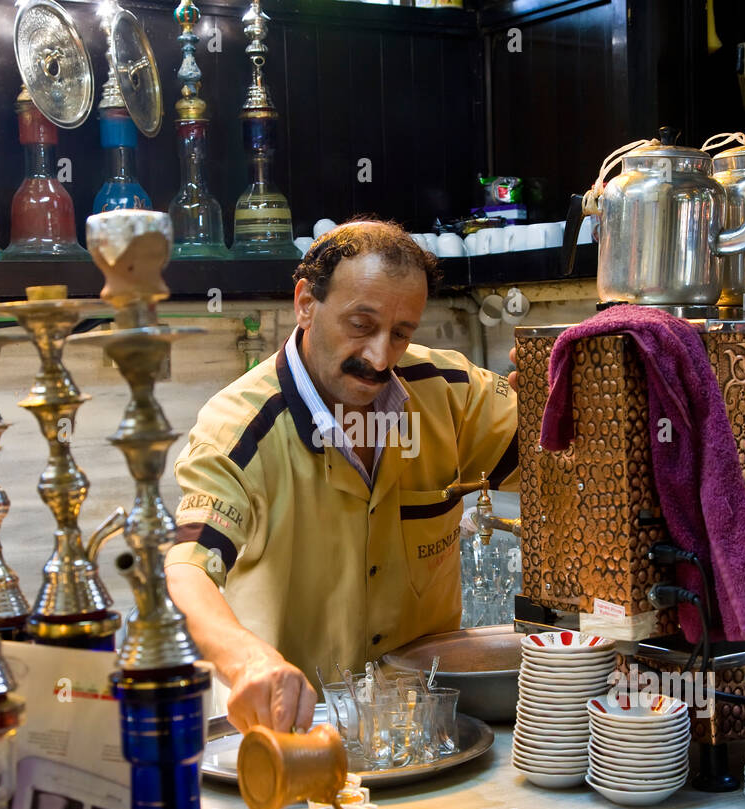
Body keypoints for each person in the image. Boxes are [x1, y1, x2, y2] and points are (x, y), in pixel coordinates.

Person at [164, 220, 519, 733]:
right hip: (297, 734)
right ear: (305, 302)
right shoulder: (239, 429)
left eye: (400, 334)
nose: (380, 357)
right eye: (361, 324)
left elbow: (562, 468)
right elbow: (187, 572)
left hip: (432, 728)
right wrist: (247, 661)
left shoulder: (449, 393)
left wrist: (567, 399)